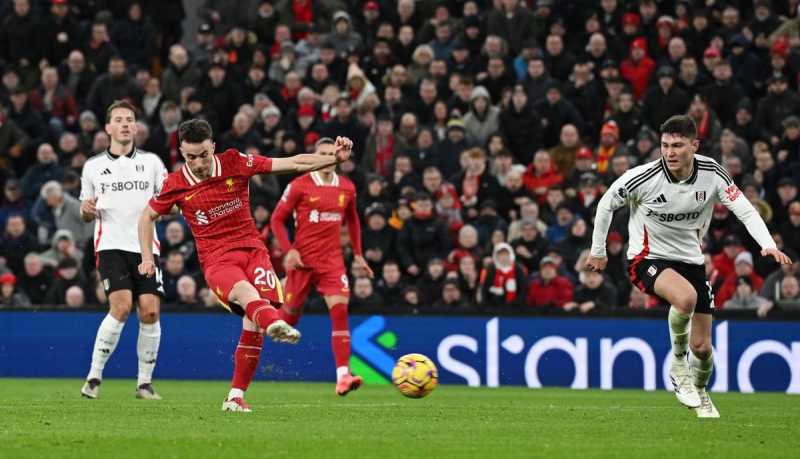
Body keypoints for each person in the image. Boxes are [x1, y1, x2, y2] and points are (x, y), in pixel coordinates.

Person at [138, 119, 352, 412]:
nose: (198, 163)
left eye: (203, 154)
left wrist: (332, 158)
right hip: (217, 259)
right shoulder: (175, 184)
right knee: (245, 293)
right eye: (190, 157)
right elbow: (145, 217)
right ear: (181, 153)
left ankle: (235, 396)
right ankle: (273, 321)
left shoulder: (235, 162)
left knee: (253, 323)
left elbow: (293, 162)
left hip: (253, 251)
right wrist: (147, 258)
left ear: (212, 146)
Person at [586, 115, 791, 418]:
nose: (670, 152)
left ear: (694, 145)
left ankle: (700, 389)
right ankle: (678, 365)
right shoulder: (642, 176)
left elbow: (745, 210)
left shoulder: (712, 173)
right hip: (647, 257)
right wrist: (598, 250)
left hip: (691, 261)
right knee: (685, 299)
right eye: (665, 145)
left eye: (678, 145)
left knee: (704, 349)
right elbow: (605, 204)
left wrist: (767, 243)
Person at [270, 137, 373, 396]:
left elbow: (353, 220)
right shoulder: (299, 185)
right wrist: (288, 250)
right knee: (287, 322)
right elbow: (276, 220)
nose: (328, 158)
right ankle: (260, 313)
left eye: (332, 153)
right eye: (323, 153)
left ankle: (342, 377)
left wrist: (358, 254)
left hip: (332, 263)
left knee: (340, 314)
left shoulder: (347, 188)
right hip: (302, 262)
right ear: (315, 156)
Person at [79, 100, 167, 401]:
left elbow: (168, 201)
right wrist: (86, 209)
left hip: (146, 247)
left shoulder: (153, 163)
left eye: (130, 119)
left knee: (151, 311)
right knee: (120, 306)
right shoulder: (93, 167)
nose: (126, 124)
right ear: (108, 128)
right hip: (111, 245)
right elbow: (85, 210)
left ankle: (144, 383)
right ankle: (94, 376)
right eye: (119, 119)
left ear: (137, 126)